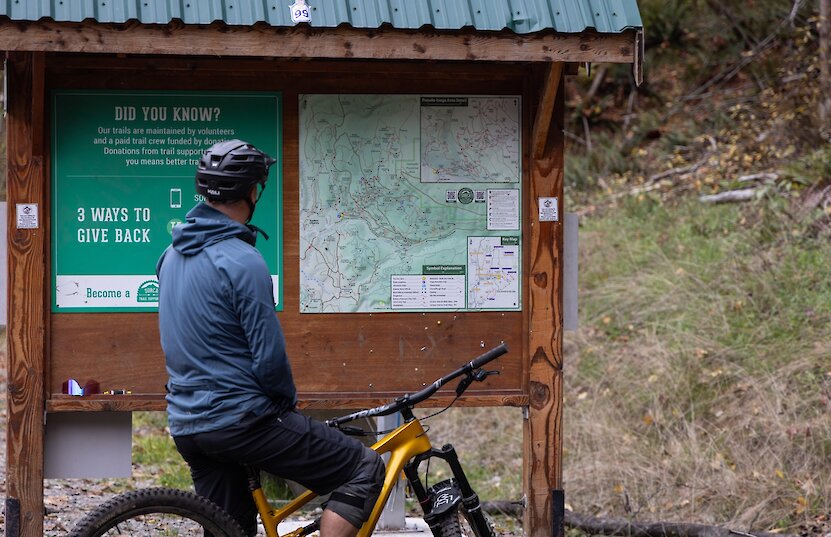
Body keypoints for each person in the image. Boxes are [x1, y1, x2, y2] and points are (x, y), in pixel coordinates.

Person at [156, 139, 385, 537]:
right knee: (362, 468)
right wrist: (283, 401)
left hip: (188, 423)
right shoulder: (242, 260)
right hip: (240, 421)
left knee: (230, 528)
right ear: (252, 191)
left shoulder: (170, 256)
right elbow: (268, 355)